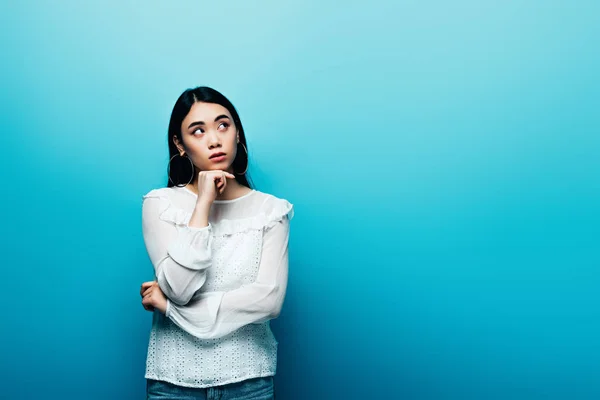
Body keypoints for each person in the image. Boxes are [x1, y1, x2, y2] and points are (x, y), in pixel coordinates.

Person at [139, 86, 293, 399]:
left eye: (224, 125)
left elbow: (269, 302)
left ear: (238, 133)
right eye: (198, 131)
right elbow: (181, 288)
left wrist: (169, 308)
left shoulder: (272, 211)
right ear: (179, 144)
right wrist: (203, 204)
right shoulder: (160, 204)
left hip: (249, 383)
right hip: (173, 384)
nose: (214, 139)